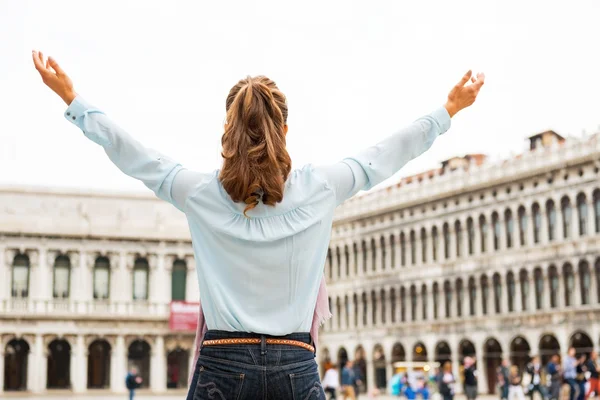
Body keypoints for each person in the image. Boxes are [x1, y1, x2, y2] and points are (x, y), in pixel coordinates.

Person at [31, 50, 484, 400]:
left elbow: (134, 155)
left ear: (226, 132)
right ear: (284, 131)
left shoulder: (199, 193)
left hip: (221, 364)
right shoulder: (321, 186)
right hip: (297, 361)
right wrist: (447, 111)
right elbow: (386, 154)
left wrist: (74, 100)